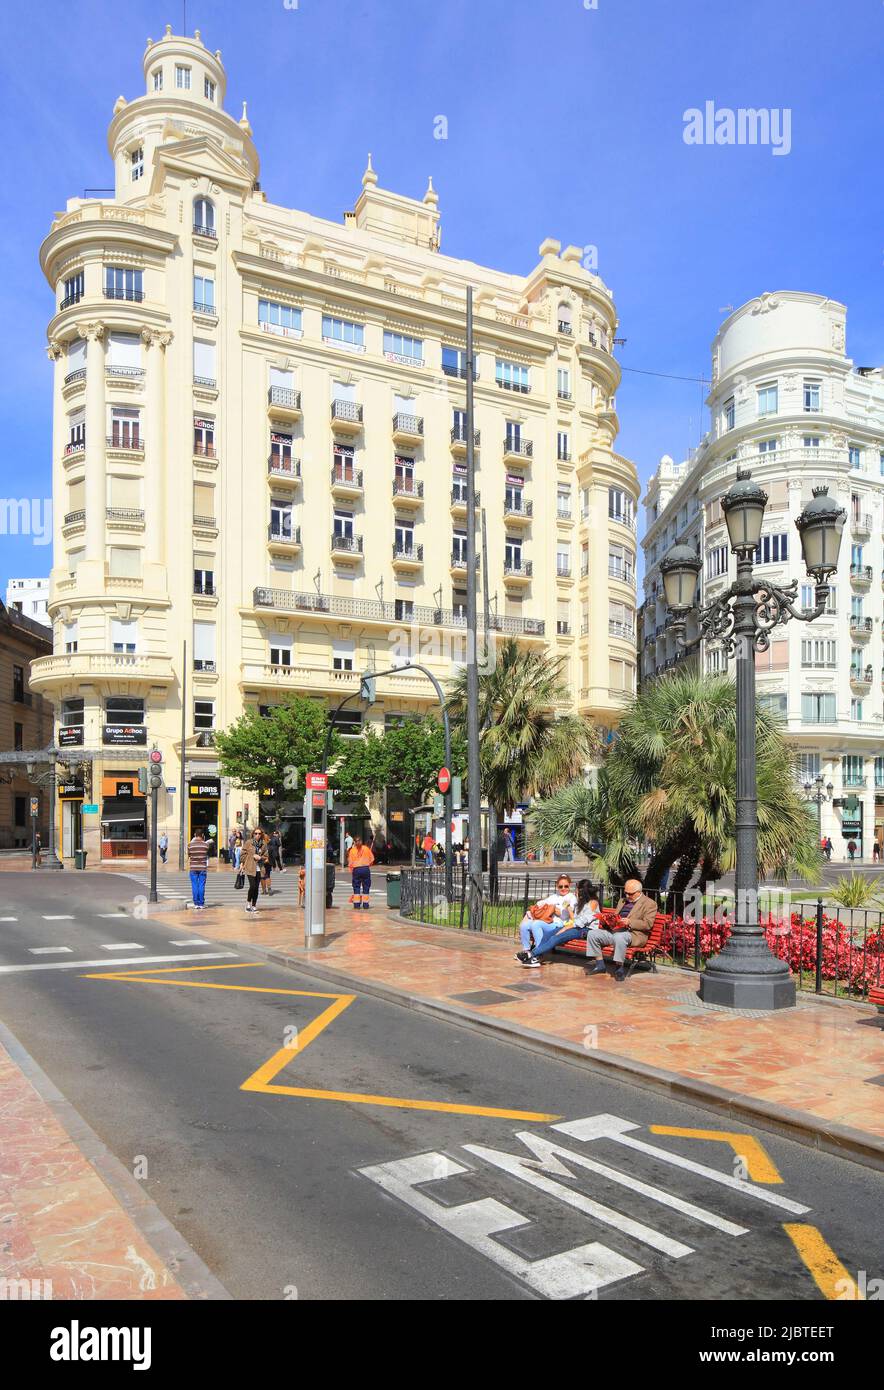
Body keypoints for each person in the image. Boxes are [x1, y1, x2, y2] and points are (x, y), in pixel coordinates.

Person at [585, 877, 656, 982]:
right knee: (592, 934)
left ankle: (619, 968)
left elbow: (648, 924)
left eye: (630, 894)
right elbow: (616, 916)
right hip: (616, 931)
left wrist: (630, 922)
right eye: (626, 892)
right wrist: (607, 921)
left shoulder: (649, 903)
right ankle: (600, 965)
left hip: (634, 934)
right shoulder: (622, 901)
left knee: (619, 937)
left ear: (639, 892)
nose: (627, 896)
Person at [517, 880, 602, 967]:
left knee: (556, 937)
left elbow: (583, 921)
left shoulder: (593, 902)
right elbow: (575, 919)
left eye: (576, 889)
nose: (575, 891)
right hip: (576, 927)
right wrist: (569, 916)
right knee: (548, 934)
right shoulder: (580, 902)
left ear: (581, 890)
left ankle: (530, 954)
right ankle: (537, 957)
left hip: (586, 930)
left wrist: (566, 928)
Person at [515, 875, 577, 962]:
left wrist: (555, 910)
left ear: (569, 886)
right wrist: (541, 906)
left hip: (559, 924)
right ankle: (527, 950)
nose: (563, 888)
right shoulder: (554, 896)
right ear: (557, 886)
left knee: (536, 924)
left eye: (566, 886)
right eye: (560, 886)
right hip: (549, 921)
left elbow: (565, 915)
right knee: (524, 926)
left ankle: (539, 952)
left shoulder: (571, 898)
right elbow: (541, 903)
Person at [187, 827, 212, 910]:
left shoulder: (190, 845)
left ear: (195, 835)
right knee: (201, 885)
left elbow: (189, 855)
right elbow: (207, 853)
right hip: (202, 868)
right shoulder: (206, 845)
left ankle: (196, 903)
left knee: (194, 885)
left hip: (193, 867)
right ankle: (201, 903)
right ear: (202, 835)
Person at [241, 830, 265, 913]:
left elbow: (266, 855)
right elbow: (243, 854)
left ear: (261, 834)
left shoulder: (263, 844)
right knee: (253, 886)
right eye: (256, 833)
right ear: (253, 834)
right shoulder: (248, 842)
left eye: (259, 833)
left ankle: (254, 905)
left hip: (260, 868)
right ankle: (248, 903)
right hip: (250, 867)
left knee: (257, 888)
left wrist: (261, 857)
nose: (257, 835)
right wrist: (252, 856)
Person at [348, 835, 375, 909]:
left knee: (356, 886)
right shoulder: (366, 849)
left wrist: (351, 870)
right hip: (365, 869)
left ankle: (356, 905)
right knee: (366, 886)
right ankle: (366, 905)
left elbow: (350, 862)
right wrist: (367, 865)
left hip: (356, 869)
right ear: (361, 841)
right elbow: (372, 860)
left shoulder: (352, 850)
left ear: (354, 842)